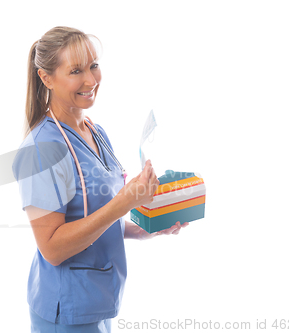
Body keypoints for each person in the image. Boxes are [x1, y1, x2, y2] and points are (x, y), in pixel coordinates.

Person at [12, 26, 189, 333]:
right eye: (76, 70)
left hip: (98, 303)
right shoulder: (42, 150)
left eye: (94, 65)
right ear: (46, 78)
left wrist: (145, 227)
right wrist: (124, 203)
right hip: (67, 312)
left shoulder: (95, 131)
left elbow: (95, 217)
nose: (91, 80)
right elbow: (52, 248)